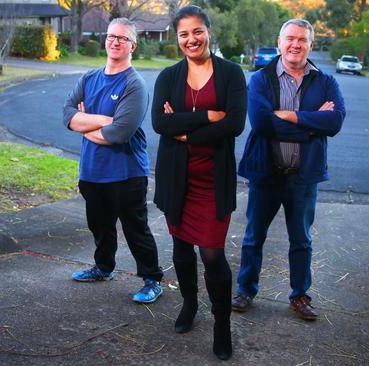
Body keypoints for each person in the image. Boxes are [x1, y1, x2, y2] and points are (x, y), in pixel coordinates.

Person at [233, 19, 346, 321]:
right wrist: (311, 124)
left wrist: (291, 116)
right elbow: (262, 122)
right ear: (280, 41)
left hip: (303, 177)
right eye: (290, 38)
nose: (296, 44)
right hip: (265, 175)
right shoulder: (260, 79)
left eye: (302, 40)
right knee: (253, 237)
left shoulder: (325, 82)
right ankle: (246, 290)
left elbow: (334, 122)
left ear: (311, 44)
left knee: (301, 240)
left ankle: (299, 296)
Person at [151, 5, 246, 361]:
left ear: (208, 31)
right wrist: (206, 116)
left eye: (197, 31)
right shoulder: (168, 77)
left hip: (212, 181)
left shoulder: (231, 74)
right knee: (180, 248)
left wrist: (187, 132)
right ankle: (189, 305)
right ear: (178, 39)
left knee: (212, 254)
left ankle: (222, 325)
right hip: (177, 178)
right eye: (183, 34)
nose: (191, 40)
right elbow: (160, 123)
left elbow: (234, 124)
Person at [63, 18, 163, 304]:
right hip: (92, 171)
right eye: (111, 36)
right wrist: (100, 122)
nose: (115, 41)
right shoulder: (88, 78)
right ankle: (104, 267)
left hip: (127, 172)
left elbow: (119, 133)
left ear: (132, 45)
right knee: (99, 226)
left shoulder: (135, 84)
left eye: (122, 38)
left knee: (136, 230)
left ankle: (152, 279)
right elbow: (66, 115)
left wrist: (83, 124)